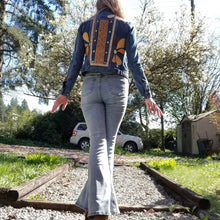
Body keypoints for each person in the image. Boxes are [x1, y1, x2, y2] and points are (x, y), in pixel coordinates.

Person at [51, 0, 163, 219]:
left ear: (98, 4)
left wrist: (65, 92)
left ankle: (92, 205)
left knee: (99, 146)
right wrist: (147, 95)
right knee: (105, 147)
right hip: (116, 87)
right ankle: (100, 212)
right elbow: (135, 64)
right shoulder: (126, 26)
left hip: (90, 87)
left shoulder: (85, 26)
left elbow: (75, 62)